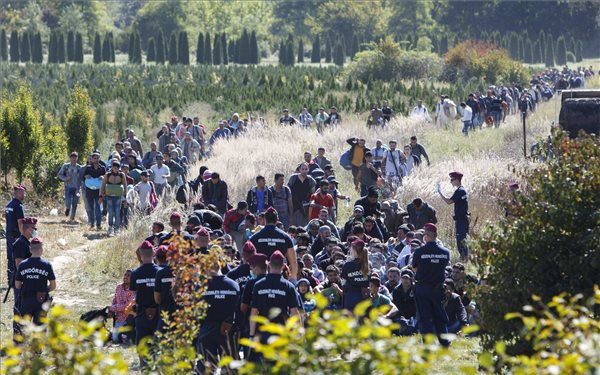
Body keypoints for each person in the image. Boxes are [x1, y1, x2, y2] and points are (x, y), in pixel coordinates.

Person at [248, 251, 302, 362]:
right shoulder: (288, 286)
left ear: (268, 264)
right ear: (283, 266)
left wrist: (252, 335)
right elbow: (294, 312)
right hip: (281, 333)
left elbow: (254, 312)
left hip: (263, 332)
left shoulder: (258, 285)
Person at [196, 254, 240, 374]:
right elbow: (238, 308)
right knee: (230, 369)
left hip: (207, 330)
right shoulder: (233, 285)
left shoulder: (201, 287)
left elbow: (196, 311)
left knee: (207, 369)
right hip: (228, 330)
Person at [411, 223, 450, 346]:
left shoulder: (419, 252)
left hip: (422, 288)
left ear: (427, 236)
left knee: (425, 318)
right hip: (438, 289)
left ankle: (427, 344)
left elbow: (414, 268)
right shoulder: (445, 252)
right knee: (439, 316)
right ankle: (444, 342)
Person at [130, 241, 160, 368]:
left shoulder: (135, 273)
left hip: (142, 313)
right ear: (154, 253)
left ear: (140, 254)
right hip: (158, 312)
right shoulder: (160, 272)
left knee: (142, 344)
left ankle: (144, 369)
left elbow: (133, 292)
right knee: (158, 343)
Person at [14, 237, 56, 328]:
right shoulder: (46, 265)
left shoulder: (23, 264)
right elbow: (53, 285)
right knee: (40, 330)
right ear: (41, 249)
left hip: (26, 300)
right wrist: (45, 290)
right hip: (41, 300)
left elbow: (17, 285)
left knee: (23, 328)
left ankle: (21, 342)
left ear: (30, 249)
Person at [249, 207, 298, 282]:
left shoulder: (255, 237)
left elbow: (248, 258)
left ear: (265, 219)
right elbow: (293, 261)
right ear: (277, 220)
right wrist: (294, 279)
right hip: (280, 277)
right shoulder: (286, 237)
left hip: (260, 278)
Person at [438, 172, 470, 261]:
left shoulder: (459, 191)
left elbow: (449, 202)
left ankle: (464, 258)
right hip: (463, 219)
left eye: (452, 180)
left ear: (457, 180)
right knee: (463, 239)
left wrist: (440, 193)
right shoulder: (462, 190)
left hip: (461, 220)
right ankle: (464, 257)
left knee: (461, 240)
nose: (451, 182)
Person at [5, 185, 26, 287]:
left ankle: (10, 281)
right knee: (18, 257)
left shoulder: (9, 205)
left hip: (9, 235)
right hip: (16, 236)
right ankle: (16, 280)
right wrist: (23, 237)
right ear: (17, 193)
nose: (24, 195)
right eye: (22, 192)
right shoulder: (18, 206)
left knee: (10, 257)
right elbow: (20, 223)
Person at [341, 239, 370, 311]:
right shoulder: (368, 265)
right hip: (365, 298)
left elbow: (343, 281)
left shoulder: (348, 265)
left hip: (351, 298)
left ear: (354, 251)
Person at [101, 160, 128, 236]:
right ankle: (110, 227)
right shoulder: (108, 175)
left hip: (118, 197)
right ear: (112, 167)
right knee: (110, 212)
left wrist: (125, 198)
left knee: (117, 212)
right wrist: (101, 195)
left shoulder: (122, 175)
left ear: (119, 168)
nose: (115, 169)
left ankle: (117, 229)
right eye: (114, 167)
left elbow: (125, 186)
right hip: (109, 196)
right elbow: (103, 185)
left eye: (117, 167)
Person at [110, 269, 135, 344]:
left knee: (124, 340)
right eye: (125, 275)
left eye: (128, 275)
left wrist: (111, 308)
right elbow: (115, 300)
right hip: (118, 319)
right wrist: (111, 310)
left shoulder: (133, 289)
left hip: (128, 319)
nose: (125, 277)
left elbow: (126, 306)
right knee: (115, 339)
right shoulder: (119, 287)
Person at [288, 163, 316, 227]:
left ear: (308, 169)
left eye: (306, 169)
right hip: (294, 207)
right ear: (299, 170)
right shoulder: (293, 178)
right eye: (302, 169)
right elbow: (288, 191)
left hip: (305, 208)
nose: (304, 171)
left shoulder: (310, 180)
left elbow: (313, 195)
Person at [84, 152, 107, 230]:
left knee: (98, 207)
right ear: (92, 159)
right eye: (95, 158)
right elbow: (85, 176)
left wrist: (102, 176)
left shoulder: (103, 168)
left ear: (99, 159)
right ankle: (92, 223)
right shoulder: (88, 168)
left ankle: (98, 224)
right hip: (89, 191)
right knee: (90, 208)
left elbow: (106, 177)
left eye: (97, 158)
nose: (96, 159)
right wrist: (87, 176)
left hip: (99, 191)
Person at [58, 152, 83, 222]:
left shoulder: (79, 167)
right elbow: (59, 174)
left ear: (77, 158)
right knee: (68, 200)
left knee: (75, 203)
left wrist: (81, 185)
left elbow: (82, 177)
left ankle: (72, 218)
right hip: (68, 186)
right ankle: (68, 208)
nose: (74, 159)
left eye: (75, 157)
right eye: (72, 157)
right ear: (70, 158)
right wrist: (66, 178)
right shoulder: (66, 166)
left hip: (76, 188)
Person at [391, 268, 417, 335]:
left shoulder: (416, 290)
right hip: (401, 316)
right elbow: (397, 306)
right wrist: (402, 317)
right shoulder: (396, 290)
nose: (405, 280)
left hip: (414, 316)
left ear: (411, 279)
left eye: (407, 278)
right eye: (403, 278)